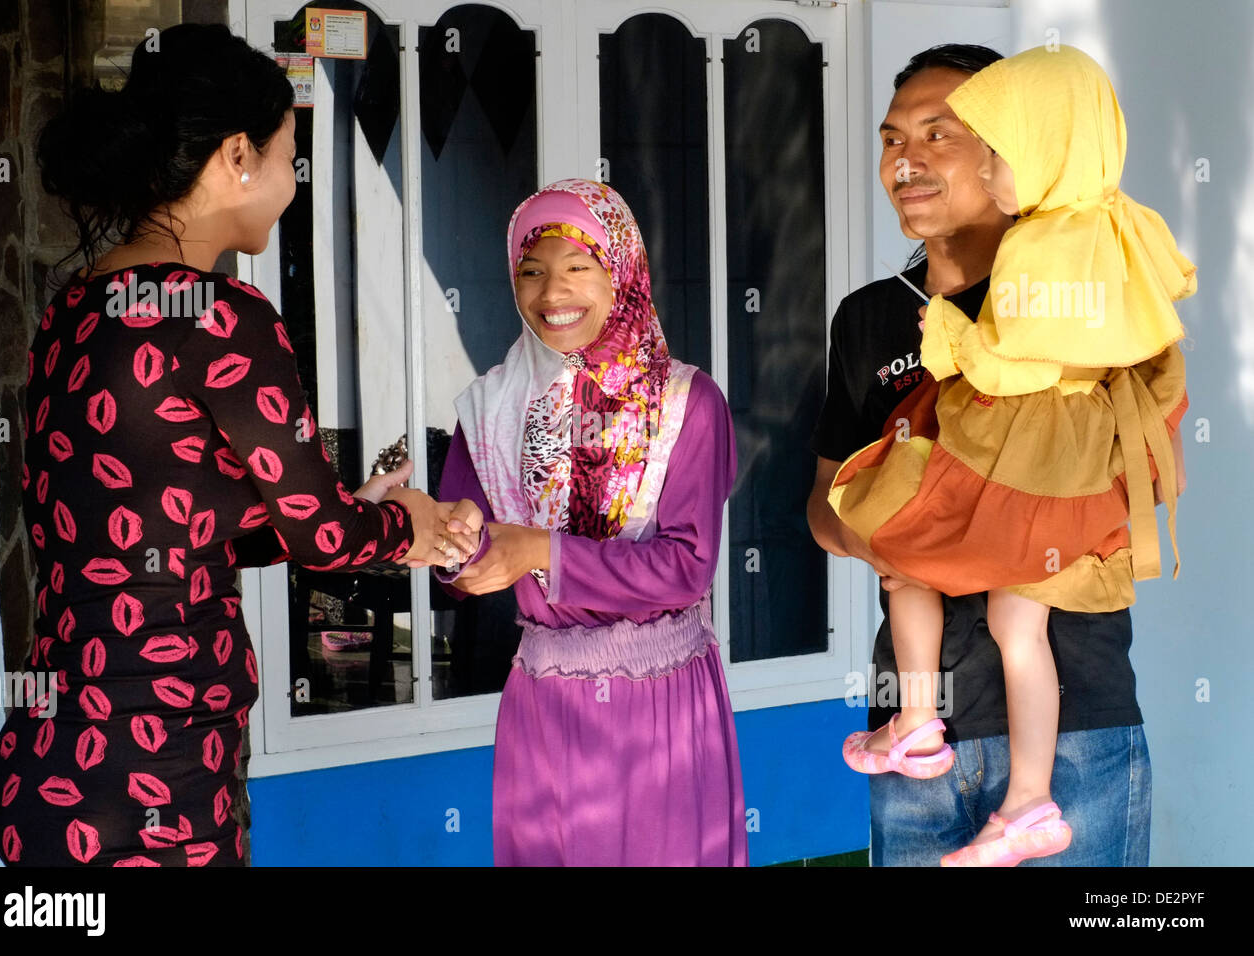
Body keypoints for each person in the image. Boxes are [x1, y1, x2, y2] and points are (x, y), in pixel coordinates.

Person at [0, 24, 479, 866]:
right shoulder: (220, 317)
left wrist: (352, 510)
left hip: (44, 776)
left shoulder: (74, 307)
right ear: (238, 154)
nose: (292, 183)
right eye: (290, 154)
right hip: (152, 783)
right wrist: (413, 529)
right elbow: (326, 545)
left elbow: (173, 533)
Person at [827, 45, 1192, 866]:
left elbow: (1125, 462)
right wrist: (904, 536)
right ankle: (911, 719)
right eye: (891, 139)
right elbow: (825, 506)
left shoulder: (1092, 289)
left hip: (1078, 733)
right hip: (917, 727)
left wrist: (952, 522)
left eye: (942, 135)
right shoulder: (867, 317)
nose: (905, 161)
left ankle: (1026, 801)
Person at [435, 179, 747, 866]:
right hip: (542, 702)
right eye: (532, 271)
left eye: (579, 267)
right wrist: (441, 542)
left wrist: (539, 552)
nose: (553, 294)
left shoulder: (684, 404)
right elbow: (466, 565)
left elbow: (684, 568)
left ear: (623, 272)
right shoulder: (494, 407)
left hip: (656, 701)